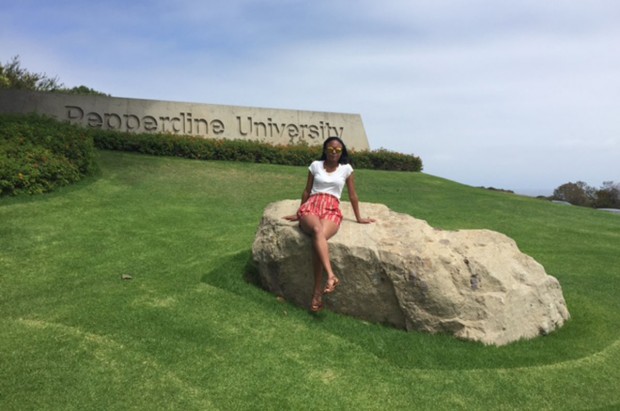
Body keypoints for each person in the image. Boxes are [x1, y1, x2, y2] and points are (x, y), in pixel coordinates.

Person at [284, 136, 375, 312]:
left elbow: (353, 195)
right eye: (331, 149)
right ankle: (331, 276)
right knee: (317, 230)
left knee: (319, 239)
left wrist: (359, 218)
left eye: (338, 150)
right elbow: (307, 190)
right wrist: (299, 212)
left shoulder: (346, 169)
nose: (334, 153)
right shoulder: (315, 165)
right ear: (325, 150)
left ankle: (317, 293)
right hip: (312, 205)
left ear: (342, 152)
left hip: (331, 208)